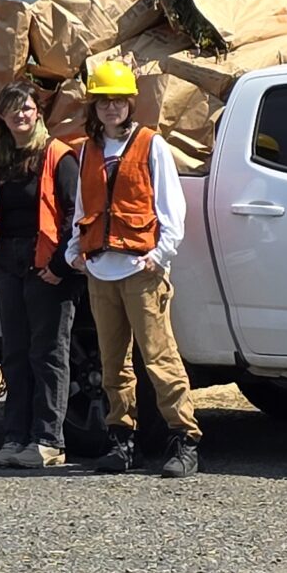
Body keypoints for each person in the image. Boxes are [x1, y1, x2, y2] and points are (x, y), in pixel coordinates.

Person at [67, 60, 201, 478]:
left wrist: (160, 255)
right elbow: (83, 206)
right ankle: (120, 440)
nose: (111, 108)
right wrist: (75, 248)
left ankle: (185, 438)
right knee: (113, 365)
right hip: (101, 270)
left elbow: (171, 208)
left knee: (160, 359)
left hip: (141, 269)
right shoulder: (88, 149)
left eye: (118, 101)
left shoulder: (150, 145)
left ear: (130, 104)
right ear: (94, 105)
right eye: (104, 101)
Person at [0, 81, 77, 469]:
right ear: (3, 118)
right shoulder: (0, 160)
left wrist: (59, 267)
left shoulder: (59, 157)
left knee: (48, 353)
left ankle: (48, 440)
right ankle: (14, 436)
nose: (20, 115)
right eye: (12, 110)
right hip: (7, 266)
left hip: (47, 269)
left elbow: (76, 217)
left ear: (38, 112)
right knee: (14, 353)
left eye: (26, 108)